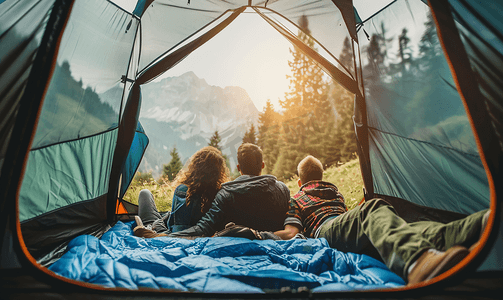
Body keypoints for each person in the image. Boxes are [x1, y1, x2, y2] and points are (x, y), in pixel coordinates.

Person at [274, 155, 489, 285]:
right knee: (381, 214)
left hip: (328, 231)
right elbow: (348, 220)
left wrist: (261, 235)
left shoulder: (297, 198)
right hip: (338, 230)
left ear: (300, 180)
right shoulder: (336, 193)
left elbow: (291, 232)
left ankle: (421, 259)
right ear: (321, 175)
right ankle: (477, 224)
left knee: (399, 228)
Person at [135, 143, 290, 238]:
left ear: (238, 168)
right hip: (269, 237)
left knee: (146, 196)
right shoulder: (283, 189)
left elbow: (203, 228)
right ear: (262, 165)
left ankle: (153, 224)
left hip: (173, 231)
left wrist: (163, 237)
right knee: (164, 216)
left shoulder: (228, 193)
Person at [136, 146, 229, 235]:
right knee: (165, 216)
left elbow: (175, 227)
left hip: (168, 234)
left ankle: (148, 227)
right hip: (194, 233)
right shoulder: (220, 194)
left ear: (194, 166)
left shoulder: (184, 190)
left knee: (145, 193)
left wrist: (158, 224)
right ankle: (153, 224)